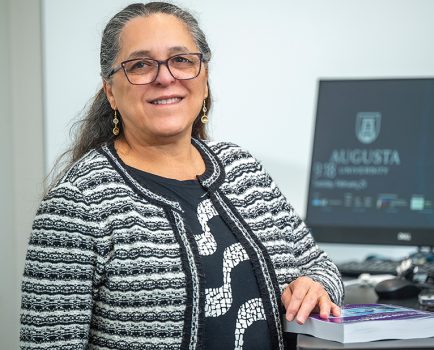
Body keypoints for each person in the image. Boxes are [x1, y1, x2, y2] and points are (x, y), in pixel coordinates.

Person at [20, 2, 344, 349]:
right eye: (141, 65)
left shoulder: (243, 169)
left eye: (181, 60)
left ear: (204, 79)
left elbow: (320, 264)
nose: (165, 77)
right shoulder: (78, 202)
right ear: (111, 91)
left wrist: (317, 283)